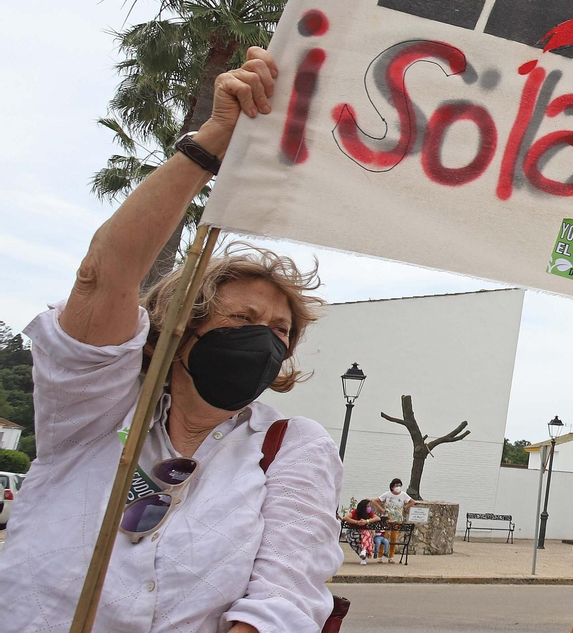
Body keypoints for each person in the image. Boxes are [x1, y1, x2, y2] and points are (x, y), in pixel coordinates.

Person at [0, 47, 346, 632]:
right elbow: (101, 278)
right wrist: (214, 139)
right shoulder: (97, 408)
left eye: (281, 332)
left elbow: (286, 594)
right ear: (181, 332)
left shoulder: (291, 446)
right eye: (240, 322)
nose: (263, 342)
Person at [346, 499, 387, 565]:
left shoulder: (369, 512)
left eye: (369, 506)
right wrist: (357, 522)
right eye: (368, 506)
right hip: (354, 532)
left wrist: (366, 521)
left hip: (365, 531)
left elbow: (377, 518)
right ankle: (364, 553)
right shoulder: (355, 512)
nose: (369, 508)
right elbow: (346, 517)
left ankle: (364, 551)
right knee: (365, 538)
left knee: (366, 533)